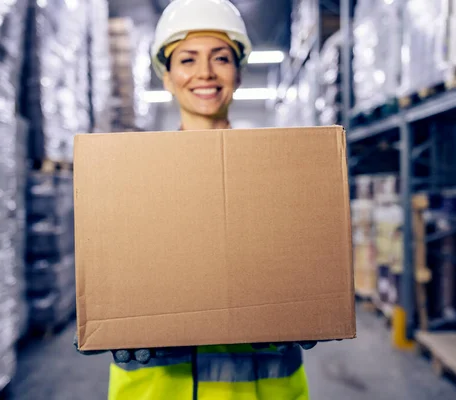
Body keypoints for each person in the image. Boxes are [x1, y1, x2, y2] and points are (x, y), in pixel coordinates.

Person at [75, 1, 315, 398]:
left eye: (220, 58)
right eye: (188, 59)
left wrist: (309, 306)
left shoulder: (276, 180)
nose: (205, 73)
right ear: (167, 77)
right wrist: (102, 319)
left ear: (238, 73)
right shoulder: (134, 182)